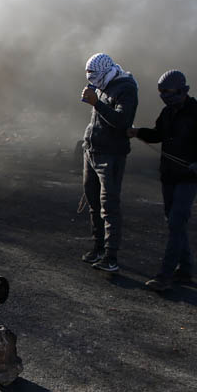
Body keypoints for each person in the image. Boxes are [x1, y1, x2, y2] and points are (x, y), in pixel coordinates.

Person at [128, 70, 197, 292]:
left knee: (176, 222)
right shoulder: (167, 112)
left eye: (168, 92)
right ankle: (186, 269)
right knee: (174, 221)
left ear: (183, 90)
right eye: (161, 93)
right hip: (168, 175)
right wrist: (137, 132)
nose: (165, 96)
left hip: (189, 177)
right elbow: (158, 135)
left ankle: (165, 276)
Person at [80, 52, 138, 272]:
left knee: (109, 206)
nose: (91, 80)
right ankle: (98, 247)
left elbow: (122, 121)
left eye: (94, 75)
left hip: (111, 155)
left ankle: (111, 256)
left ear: (105, 72)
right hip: (93, 150)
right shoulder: (104, 84)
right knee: (94, 203)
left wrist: (97, 103)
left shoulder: (126, 88)